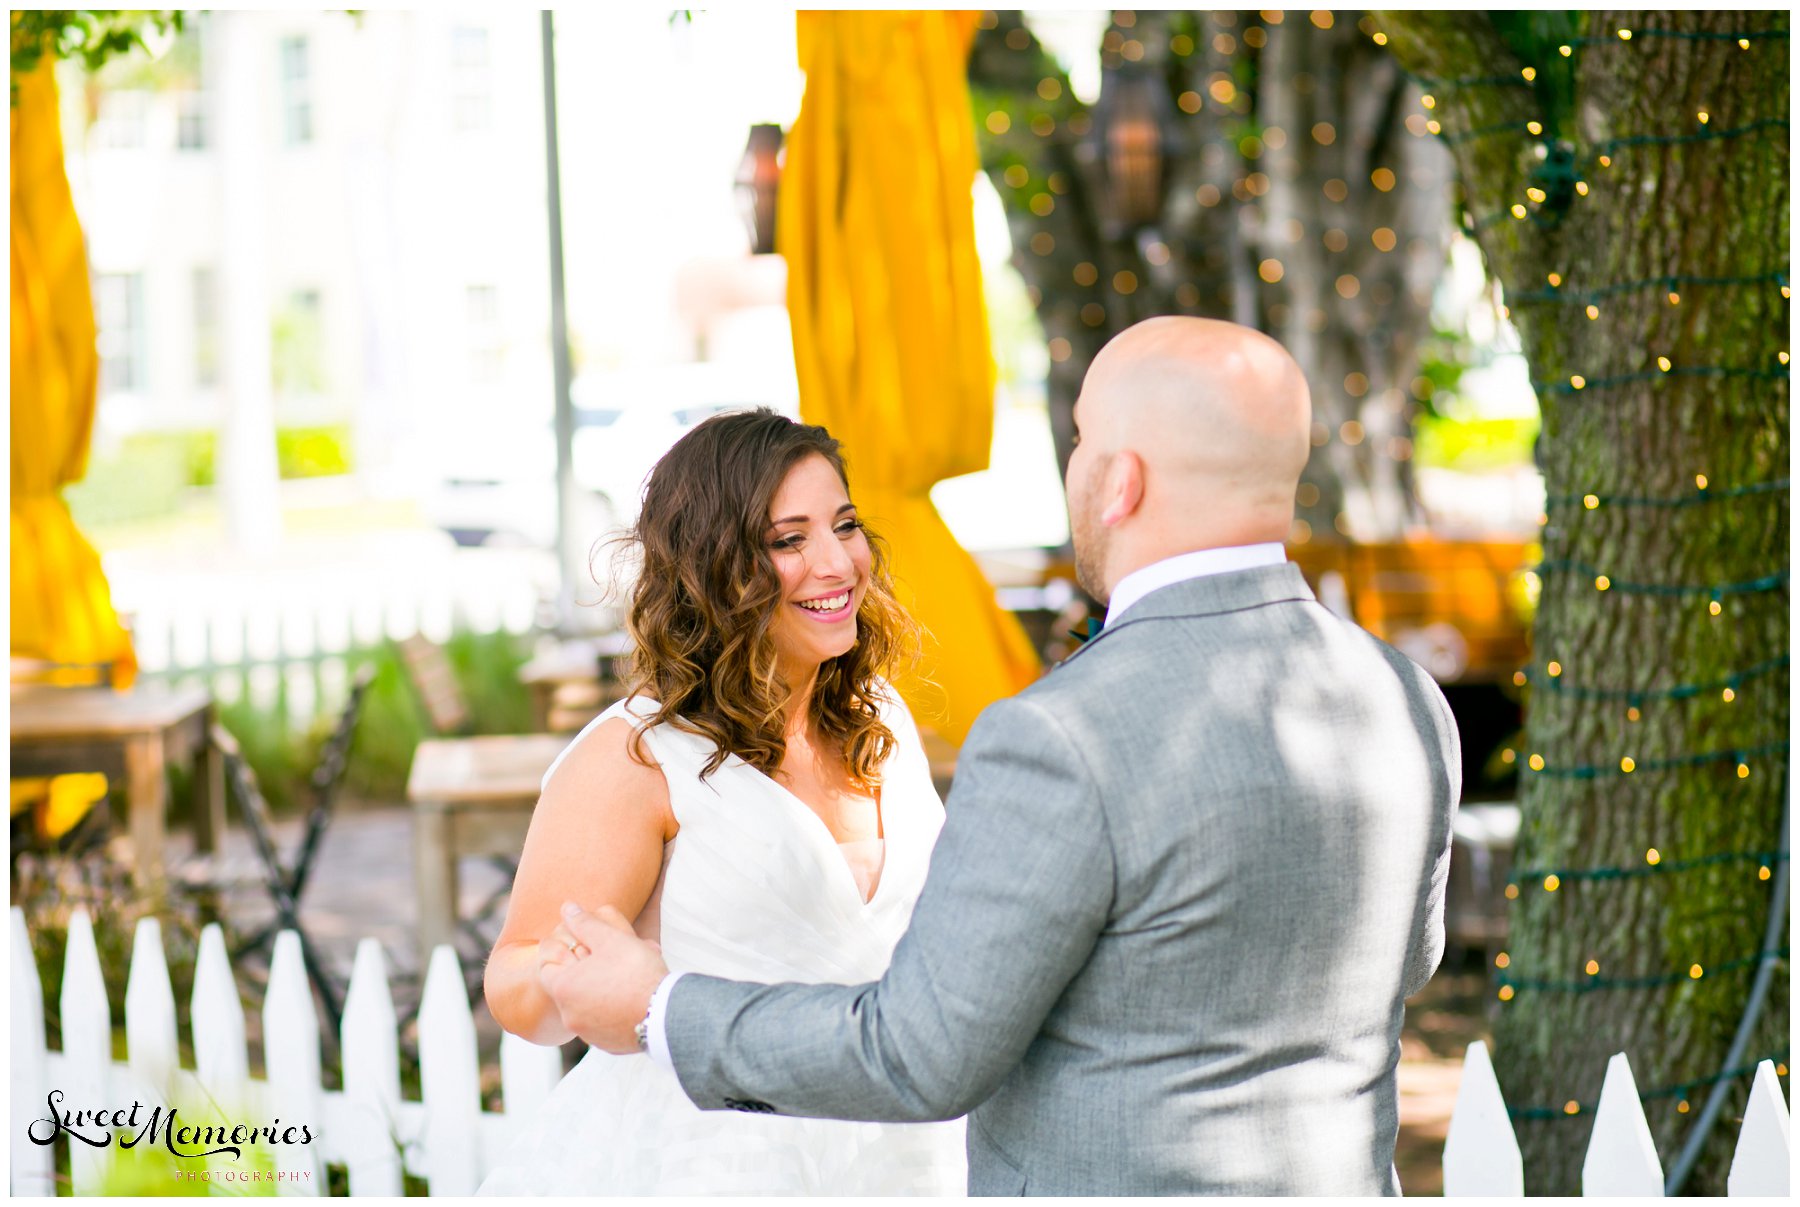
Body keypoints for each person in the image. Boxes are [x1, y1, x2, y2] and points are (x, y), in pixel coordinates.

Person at [540, 316, 1463, 1196]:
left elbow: (920, 1053)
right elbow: (1404, 964)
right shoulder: (1405, 698)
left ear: (1121, 482)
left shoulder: (1060, 735)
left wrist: (661, 1006)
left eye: (1080, 441)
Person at [477, 410, 967, 1195]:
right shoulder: (640, 756)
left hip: (903, 1150)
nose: (838, 561)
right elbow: (517, 984)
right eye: (789, 539)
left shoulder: (883, 719)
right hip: (714, 1162)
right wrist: (583, 974)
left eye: (844, 524)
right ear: (714, 566)